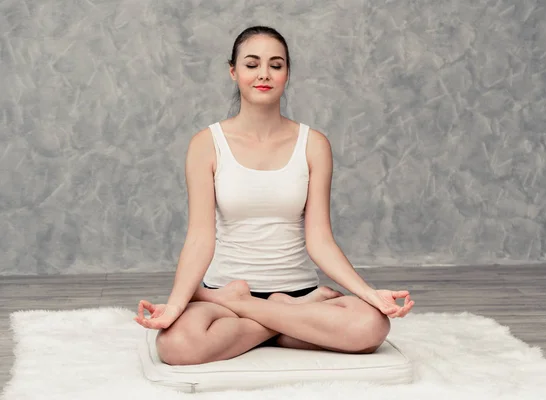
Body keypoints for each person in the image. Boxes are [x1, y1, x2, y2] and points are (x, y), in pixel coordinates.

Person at [134, 25, 415, 365]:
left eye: (276, 65)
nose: (263, 74)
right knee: (177, 346)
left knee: (371, 326)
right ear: (234, 72)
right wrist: (177, 304)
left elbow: (320, 240)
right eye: (252, 65)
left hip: (295, 293)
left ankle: (256, 311)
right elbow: (199, 238)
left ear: (287, 74)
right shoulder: (206, 144)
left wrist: (369, 294)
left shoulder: (313, 144)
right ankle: (285, 320)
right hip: (222, 294)